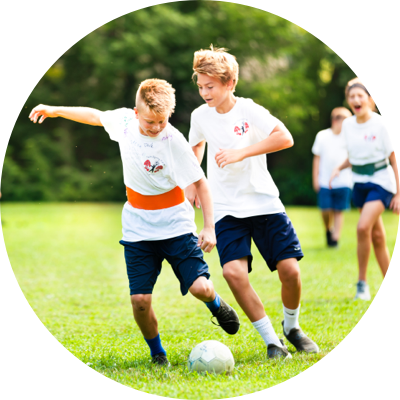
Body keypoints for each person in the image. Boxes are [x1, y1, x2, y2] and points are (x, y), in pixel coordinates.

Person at [28, 78, 240, 366]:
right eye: (150, 121)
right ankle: (158, 354)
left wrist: (209, 227)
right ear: (136, 112)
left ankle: (216, 304)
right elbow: (94, 115)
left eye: (161, 121)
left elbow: (201, 184)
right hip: (138, 228)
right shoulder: (125, 122)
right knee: (140, 301)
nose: (155, 127)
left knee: (200, 288)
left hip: (176, 225)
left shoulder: (174, 141)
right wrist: (54, 110)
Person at [185, 46, 319, 359]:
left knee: (290, 272)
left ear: (229, 83)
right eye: (201, 86)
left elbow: (284, 137)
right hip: (225, 207)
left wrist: (241, 152)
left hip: (263, 202)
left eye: (211, 86)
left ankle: (292, 327)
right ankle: (273, 342)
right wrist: (192, 184)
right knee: (233, 273)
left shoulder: (248, 110)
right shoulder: (199, 116)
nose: (205, 93)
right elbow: (196, 149)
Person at [330, 78, 400, 300]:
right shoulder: (348, 125)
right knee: (377, 236)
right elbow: (354, 157)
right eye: (352, 96)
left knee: (362, 228)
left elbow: (393, 158)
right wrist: (338, 168)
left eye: (360, 95)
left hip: (381, 182)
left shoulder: (380, 123)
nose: (356, 99)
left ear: (370, 100)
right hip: (358, 183)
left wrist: (399, 192)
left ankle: (362, 283)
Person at [312, 107, 353, 247]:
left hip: (344, 180)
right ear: (335, 120)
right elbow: (317, 159)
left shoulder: (349, 138)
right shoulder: (322, 136)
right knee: (325, 209)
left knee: (338, 210)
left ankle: (335, 239)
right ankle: (328, 230)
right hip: (324, 180)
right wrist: (315, 178)